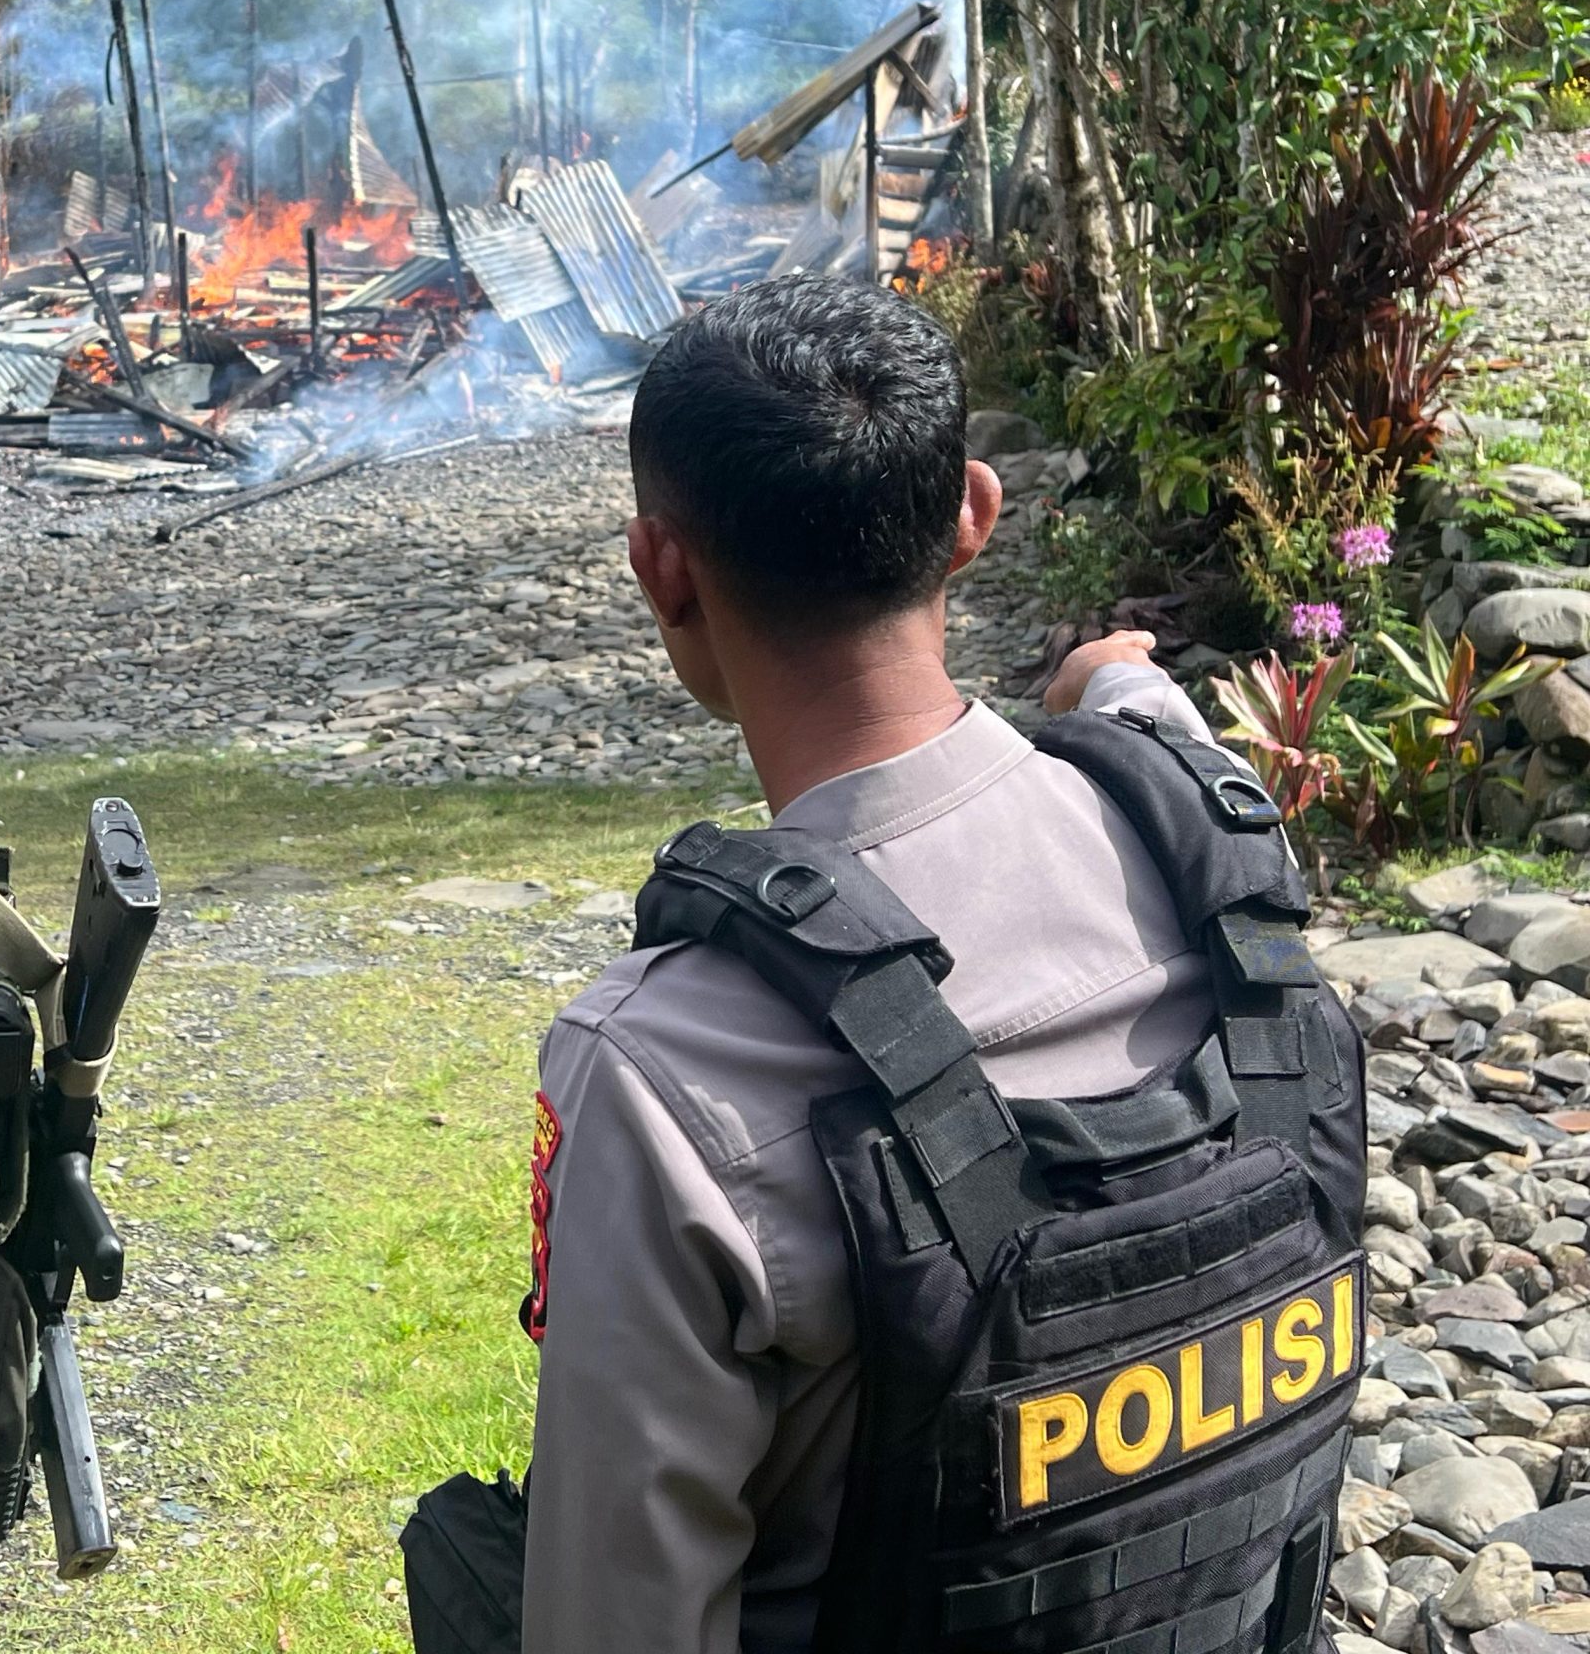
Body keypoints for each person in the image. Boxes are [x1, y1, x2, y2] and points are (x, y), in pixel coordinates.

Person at [519, 278, 1363, 1652]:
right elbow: (1172, 730)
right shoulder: (1231, 887)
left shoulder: (670, 1071)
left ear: (661, 567)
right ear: (973, 514)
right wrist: (1117, 686)